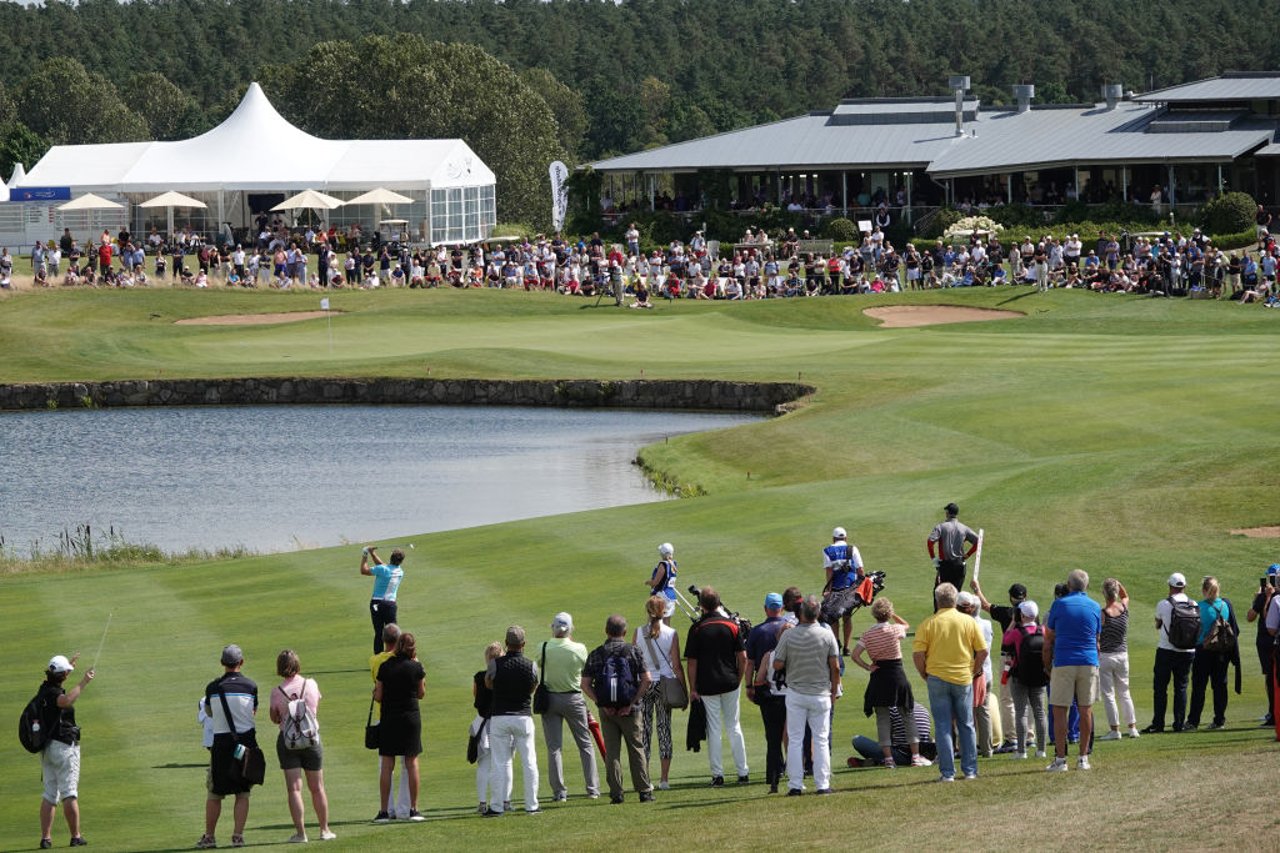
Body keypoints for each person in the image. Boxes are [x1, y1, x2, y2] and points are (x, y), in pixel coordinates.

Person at [911, 583, 987, 782]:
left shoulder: (928, 623)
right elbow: (983, 651)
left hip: (937, 677)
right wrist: (974, 670)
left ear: (937, 601)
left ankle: (947, 773)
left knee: (943, 725)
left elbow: (918, 654)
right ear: (955, 600)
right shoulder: (968, 622)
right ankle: (970, 771)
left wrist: (924, 673)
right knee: (966, 724)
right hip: (962, 677)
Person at [850, 598, 930, 769]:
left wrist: (868, 667)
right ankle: (915, 756)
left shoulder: (868, 634)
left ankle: (888, 759)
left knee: (883, 719)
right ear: (888, 613)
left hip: (879, 675)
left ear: (874, 615)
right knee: (907, 715)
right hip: (896, 674)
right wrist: (893, 615)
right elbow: (906, 625)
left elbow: (855, 655)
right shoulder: (895, 629)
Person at [582, 614, 654, 803]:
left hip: (607, 711)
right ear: (625, 631)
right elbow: (647, 679)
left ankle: (616, 793)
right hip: (631, 710)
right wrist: (632, 703)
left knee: (612, 752)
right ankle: (644, 791)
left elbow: (585, 684)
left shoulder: (597, 653)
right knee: (636, 748)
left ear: (606, 631)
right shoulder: (633, 651)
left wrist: (601, 703)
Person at [774, 594, 841, 795]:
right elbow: (835, 667)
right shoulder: (827, 635)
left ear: (801, 613)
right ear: (817, 613)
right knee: (821, 739)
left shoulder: (788, 635)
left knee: (795, 740)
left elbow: (777, 664)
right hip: (820, 693)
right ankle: (822, 784)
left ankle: (795, 785)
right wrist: (833, 691)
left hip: (796, 693)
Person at [684, 586, 749, 787]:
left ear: (702, 605)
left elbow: (692, 662)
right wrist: (738, 679)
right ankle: (743, 772)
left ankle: (718, 775)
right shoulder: (732, 626)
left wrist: (692, 688)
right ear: (718, 603)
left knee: (714, 728)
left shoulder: (697, 628)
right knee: (734, 726)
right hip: (730, 682)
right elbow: (743, 658)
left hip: (707, 684)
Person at [268, 649, 335, 842]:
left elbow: (274, 718)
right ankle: (324, 830)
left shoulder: (277, 692)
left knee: (294, 789)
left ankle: (301, 833)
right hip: (311, 739)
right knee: (318, 788)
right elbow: (314, 708)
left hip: (288, 741)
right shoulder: (311, 684)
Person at [198, 645, 257, 850]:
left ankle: (210, 837)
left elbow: (210, 713)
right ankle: (238, 836)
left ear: (222, 663)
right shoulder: (251, 686)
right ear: (241, 662)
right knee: (243, 792)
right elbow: (253, 712)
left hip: (221, 747)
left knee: (215, 794)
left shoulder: (212, 688)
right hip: (245, 746)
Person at [536, 612, 600, 802]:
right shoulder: (579, 648)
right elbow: (586, 669)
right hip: (573, 699)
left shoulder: (543, 647)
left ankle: (559, 793)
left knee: (554, 747)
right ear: (571, 629)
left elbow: (539, 663)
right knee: (585, 744)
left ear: (553, 628)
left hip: (550, 700)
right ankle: (593, 789)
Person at [1043, 569, 1102, 772]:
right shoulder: (1095, 606)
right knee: (1086, 709)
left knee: (1060, 710)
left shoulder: (1059, 605)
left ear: (1069, 585)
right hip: (1088, 660)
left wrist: (1047, 665)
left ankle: (1061, 760)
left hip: (1064, 660)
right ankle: (1083, 758)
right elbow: (1097, 638)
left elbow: (1049, 637)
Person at [36, 653, 94, 850]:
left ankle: (46, 838)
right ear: (62, 675)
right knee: (69, 793)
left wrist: (68, 668)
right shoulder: (55, 695)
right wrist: (84, 682)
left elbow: (58, 684)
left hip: (48, 749)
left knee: (49, 794)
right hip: (63, 748)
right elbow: (66, 700)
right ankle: (75, 836)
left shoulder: (44, 689)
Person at [484, 626, 540, 816]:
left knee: (499, 762)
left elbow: (488, 684)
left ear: (506, 643)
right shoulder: (531, 665)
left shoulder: (495, 664)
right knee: (529, 762)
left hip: (500, 716)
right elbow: (533, 687)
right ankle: (532, 805)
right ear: (523, 644)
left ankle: (497, 806)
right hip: (523, 716)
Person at [971, 579, 1030, 752]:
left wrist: (977, 589)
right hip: (1029, 658)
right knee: (1028, 698)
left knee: (1008, 698)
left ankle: (1012, 738)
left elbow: (985, 606)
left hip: (1010, 660)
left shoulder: (1007, 612)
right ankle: (1029, 736)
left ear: (1011, 597)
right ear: (1025, 597)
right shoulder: (1032, 613)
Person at [634, 595, 686, 790]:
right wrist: (684, 691)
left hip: (644, 684)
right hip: (664, 684)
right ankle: (664, 779)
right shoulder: (671, 633)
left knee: (644, 732)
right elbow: (677, 666)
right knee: (664, 729)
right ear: (664, 611)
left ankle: (645, 778)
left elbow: (635, 661)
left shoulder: (638, 632)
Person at [373, 632, 426, 822]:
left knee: (387, 765)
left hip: (389, 718)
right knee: (411, 763)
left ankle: (384, 811)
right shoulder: (416, 667)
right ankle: (413, 809)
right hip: (410, 718)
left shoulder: (385, 666)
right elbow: (421, 693)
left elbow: (378, 696)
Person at [745, 592, 789, 792]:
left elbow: (750, 663)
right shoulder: (792, 630)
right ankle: (796, 771)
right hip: (793, 695)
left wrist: (749, 686)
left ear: (766, 608)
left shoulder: (757, 631)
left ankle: (774, 774)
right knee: (793, 734)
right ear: (782, 608)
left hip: (770, 695)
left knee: (772, 736)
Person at [1144, 572, 1196, 733]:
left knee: (1160, 688)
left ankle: (1158, 723)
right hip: (1188, 651)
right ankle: (1179, 723)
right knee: (1181, 687)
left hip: (1166, 650)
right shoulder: (1193, 604)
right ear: (1184, 586)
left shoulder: (1163, 604)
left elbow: (1158, 624)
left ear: (1170, 586)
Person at [368, 623, 410, 819]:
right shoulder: (408, 659)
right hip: (404, 714)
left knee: (385, 766)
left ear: (383, 639)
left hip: (383, 716)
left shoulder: (375, 660)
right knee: (407, 764)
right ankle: (404, 808)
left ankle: (387, 808)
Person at [1186, 576, 1239, 731]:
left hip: (1203, 650)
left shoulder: (1199, 607)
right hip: (1222, 651)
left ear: (1204, 590)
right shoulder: (1225, 605)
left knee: (1199, 687)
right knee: (1220, 686)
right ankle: (1219, 720)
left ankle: (1193, 721)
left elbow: (1195, 629)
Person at [1002, 601, 1048, 759]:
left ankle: (1021, 751)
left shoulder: (1017, 632)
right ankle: (1041, 750)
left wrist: (1013, 622)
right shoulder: (1043, 630)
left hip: (1020, 676)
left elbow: (1005, 641)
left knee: (1021, 712)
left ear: (1021, 615)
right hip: (1039, 677)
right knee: (1040, 712)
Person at [957, 591, 1000, 756]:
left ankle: (968, 748)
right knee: (983, 711)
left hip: (974, 672)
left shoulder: (966, 626)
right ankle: (987, 748)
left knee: (968, 712)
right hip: (986, 672)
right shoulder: (987, 624)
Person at [1098, 578, 1140, 740]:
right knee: (1124, 692)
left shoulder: (1103, 613)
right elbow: (1125, 596)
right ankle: (1132, 728)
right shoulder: (1123, 607)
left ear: (1104, 593)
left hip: (1106, 656)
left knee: (1109, 694)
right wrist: (1118, 583)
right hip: (1122, 655)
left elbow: (1097, 635)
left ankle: (1115, 730)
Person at [471, 642, 506, 814]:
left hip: (482, 723)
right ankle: (505, 800)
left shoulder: (479, 677)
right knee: (503, 763)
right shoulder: (504, 677)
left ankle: (482, 802)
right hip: (500, 722)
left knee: (483, 765)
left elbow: (476, 698)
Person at [821, 526, 865, 655]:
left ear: (833, 538)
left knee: (834, 617)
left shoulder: (827, 550)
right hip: (850, 588)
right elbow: (860, 570)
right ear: (845, 538)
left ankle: (837, 643)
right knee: (847, 617)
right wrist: (862, 588)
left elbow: (829, 571)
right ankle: (846, 647)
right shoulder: (852, 549)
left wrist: (828, 590)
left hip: (835, 589)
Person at [849, 703, 935, 767]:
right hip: (925, 753)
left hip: (902, 755)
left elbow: (887, 739)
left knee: (857, 740)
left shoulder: (891, 708)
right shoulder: (923, 708)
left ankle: (880, 761)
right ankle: (878, 761)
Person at [1245, 565, 1278, 726]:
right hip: (1267, 643)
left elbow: (1258, 617)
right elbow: (1250, 617)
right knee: (1271, 678)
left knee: (1272, 679)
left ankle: (1273, 714)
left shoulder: (1269, 597)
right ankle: (1272, 712)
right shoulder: (1264, 596)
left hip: (1269, 642)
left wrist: (1264, 598)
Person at [927, 503, 979, 599]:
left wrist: (933, 558)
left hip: (945, 566)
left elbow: (930, 542)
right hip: (959, 565)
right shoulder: (964, 528)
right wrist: (968, 555)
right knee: (956, 595)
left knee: (941, 594)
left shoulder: (941, 527)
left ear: (947, 513)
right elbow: (978, 541)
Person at [361, 546, 406, 654]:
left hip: (377, 603)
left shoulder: (382, 569)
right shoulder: (400, 572)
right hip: (390, 605)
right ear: (401, 561)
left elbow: (364, 570)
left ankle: (378, 657)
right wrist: (373, 553)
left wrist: (365, 553)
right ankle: (396, 655)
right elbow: (383, 566)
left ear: (391, 558)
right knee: (393, 631)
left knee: (379, 632)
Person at [645, 543, 678, 623]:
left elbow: (655, 582)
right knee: (666, 623)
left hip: (661, 595)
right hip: (671, 596)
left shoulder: (663, 564)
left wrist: (647, 582)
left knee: (654, 621)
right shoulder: (674, 564)